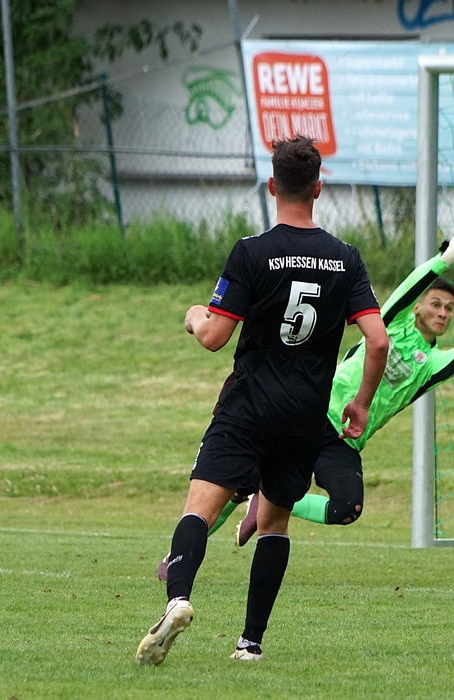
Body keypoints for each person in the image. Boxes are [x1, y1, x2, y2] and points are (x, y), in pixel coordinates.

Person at [135, 135, 390, 666]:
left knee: (199, 510)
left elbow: (214, 336)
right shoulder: (345, 259)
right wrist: (362, 402)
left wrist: (193, 316)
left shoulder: (252, 251)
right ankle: (249, 645)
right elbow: (378, 341)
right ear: (318, 188)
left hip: (248, 407)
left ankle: (178, 600)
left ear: (273, 186)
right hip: (303, 418)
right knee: (273, 525)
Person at [154, 218, 454, 573]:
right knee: (232, 485)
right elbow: (409, 288)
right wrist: (447, 258)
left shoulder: (432, 363)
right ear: (417, 308)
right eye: (436, 304)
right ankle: (177, 558)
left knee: (348, 507)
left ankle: (265, 497)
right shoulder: (394, 322)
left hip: (346, 438)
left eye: (449, 309)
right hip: (313, 415)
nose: (442, 312)